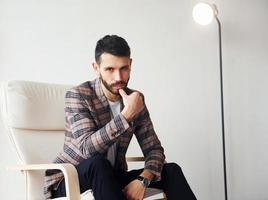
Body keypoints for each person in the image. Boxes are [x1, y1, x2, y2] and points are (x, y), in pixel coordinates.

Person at [44, 35, 197, 200]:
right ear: (96, 68)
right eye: (110, 69)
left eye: (124, 68)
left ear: (131, 65)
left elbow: (154, 149)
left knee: (171, 170)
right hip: (70, 179)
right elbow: (87, 149)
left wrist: (143, 179)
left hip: (111, 176)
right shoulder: (78, 95)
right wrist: (126, 115)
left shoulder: (135, 99)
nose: (118, 77)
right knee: (98, 163)